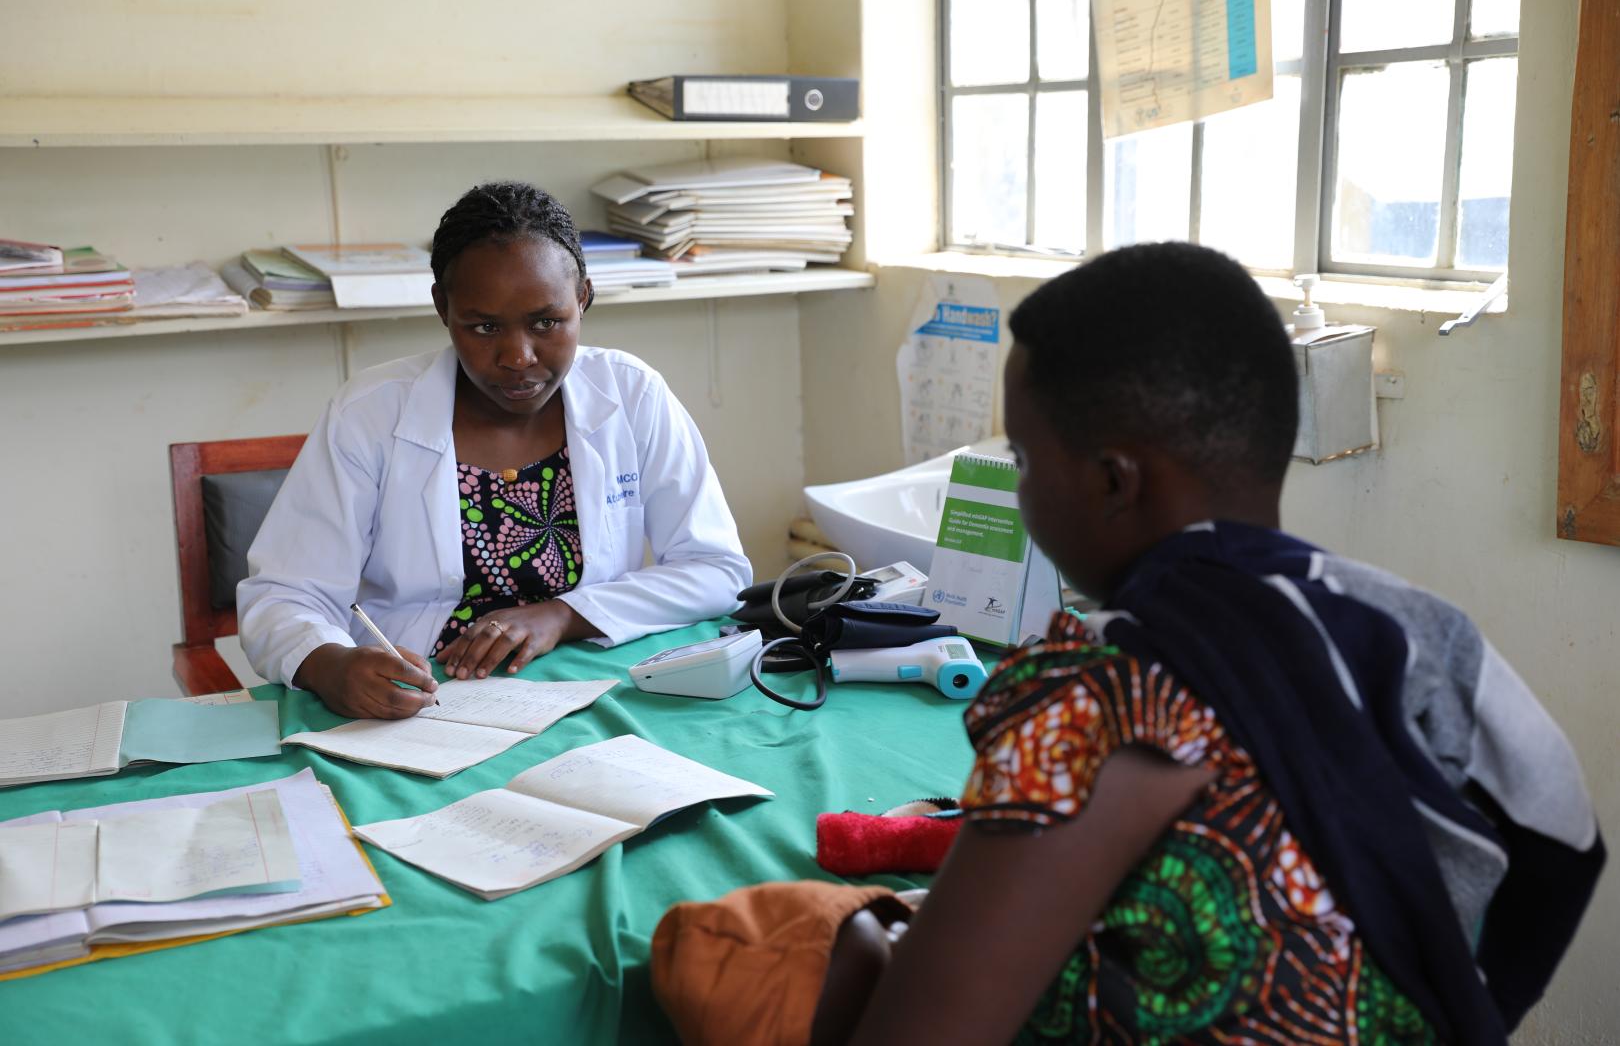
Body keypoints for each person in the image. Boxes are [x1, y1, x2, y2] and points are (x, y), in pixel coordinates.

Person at [651, 243, 1604, 1044]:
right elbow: (1564, 836)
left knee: (805, 958)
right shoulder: (1415, 627)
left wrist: (873, 954)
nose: (1019, 490)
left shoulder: (1101, 698)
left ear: (1112, 481)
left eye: (1023, 460)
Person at [238, 182, 752, 719]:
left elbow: (715, 568)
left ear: (583, 298)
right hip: (420, 706)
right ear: (442, 307)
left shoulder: (631, 393)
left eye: (546, 322)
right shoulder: (369, 414)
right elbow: (282, 594)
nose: (518, 357)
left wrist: (562, 615)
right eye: (484, 327)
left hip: (593, 694)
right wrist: (329, 664)